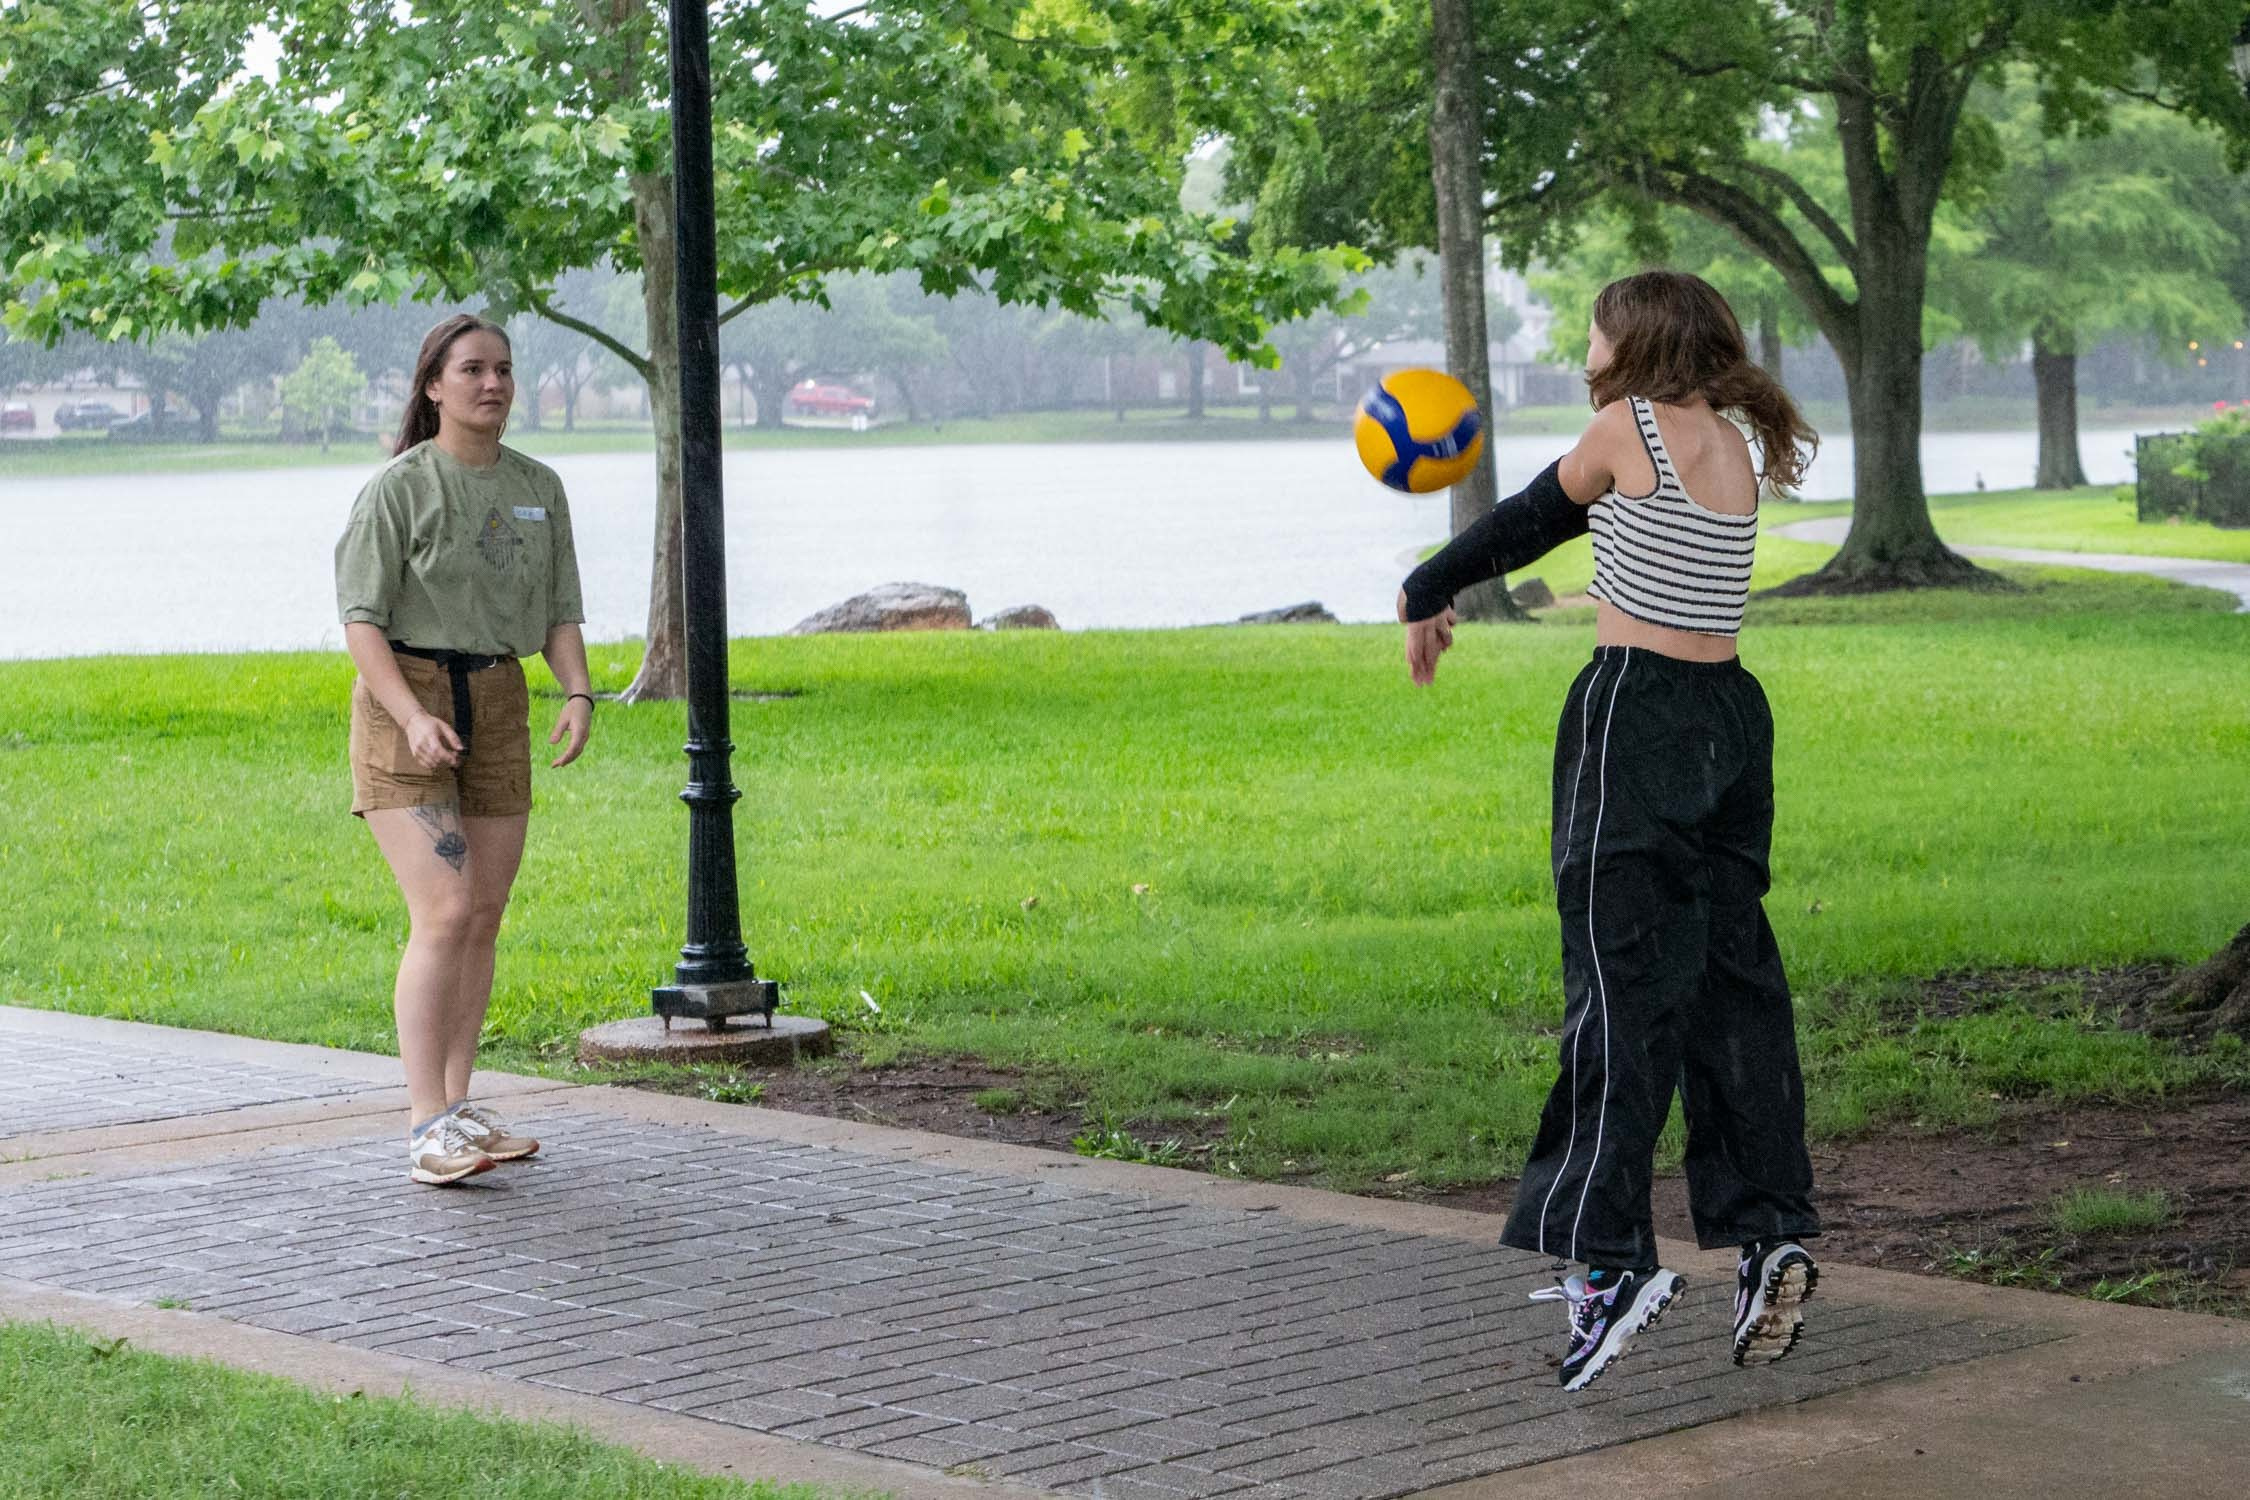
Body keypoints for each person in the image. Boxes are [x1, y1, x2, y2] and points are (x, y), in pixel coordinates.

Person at [1398, 270, 1824, 1392]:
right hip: (1733, 723)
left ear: (1632, 342)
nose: (1582, 346)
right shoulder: (1730, 440)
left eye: (1592, 329)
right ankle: (1766, 1227)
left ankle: (1607, 1259)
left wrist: (1422, 587)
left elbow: (1525, 522)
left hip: (1632, 716)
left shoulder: (1623, 427)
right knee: (1732, 982)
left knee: (1618, 987)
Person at [334, 313, 594, 1186]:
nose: (493, 384)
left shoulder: (539, 486)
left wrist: (579, 691)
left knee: (483, 909)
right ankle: (423, 1124)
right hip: (406, 697)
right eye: (473, 370)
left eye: (505, 371)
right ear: (433, 386)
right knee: (443, 910)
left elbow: (560, 609)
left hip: (499, 697)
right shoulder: (398, 489)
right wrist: (409, 714)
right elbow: (361, 623)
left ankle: (457, 1102)